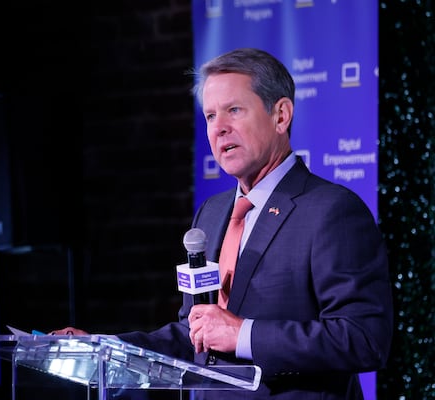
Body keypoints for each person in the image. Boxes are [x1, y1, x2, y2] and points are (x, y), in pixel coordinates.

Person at [52, 48, 393, 399]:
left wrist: (243, 334)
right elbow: (195, 334)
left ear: (281, 115)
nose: (220, 128)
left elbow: (365, 338)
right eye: (211, 116)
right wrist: (105, 348)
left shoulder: (331, 210)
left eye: (234, 110)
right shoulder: (212, 214)